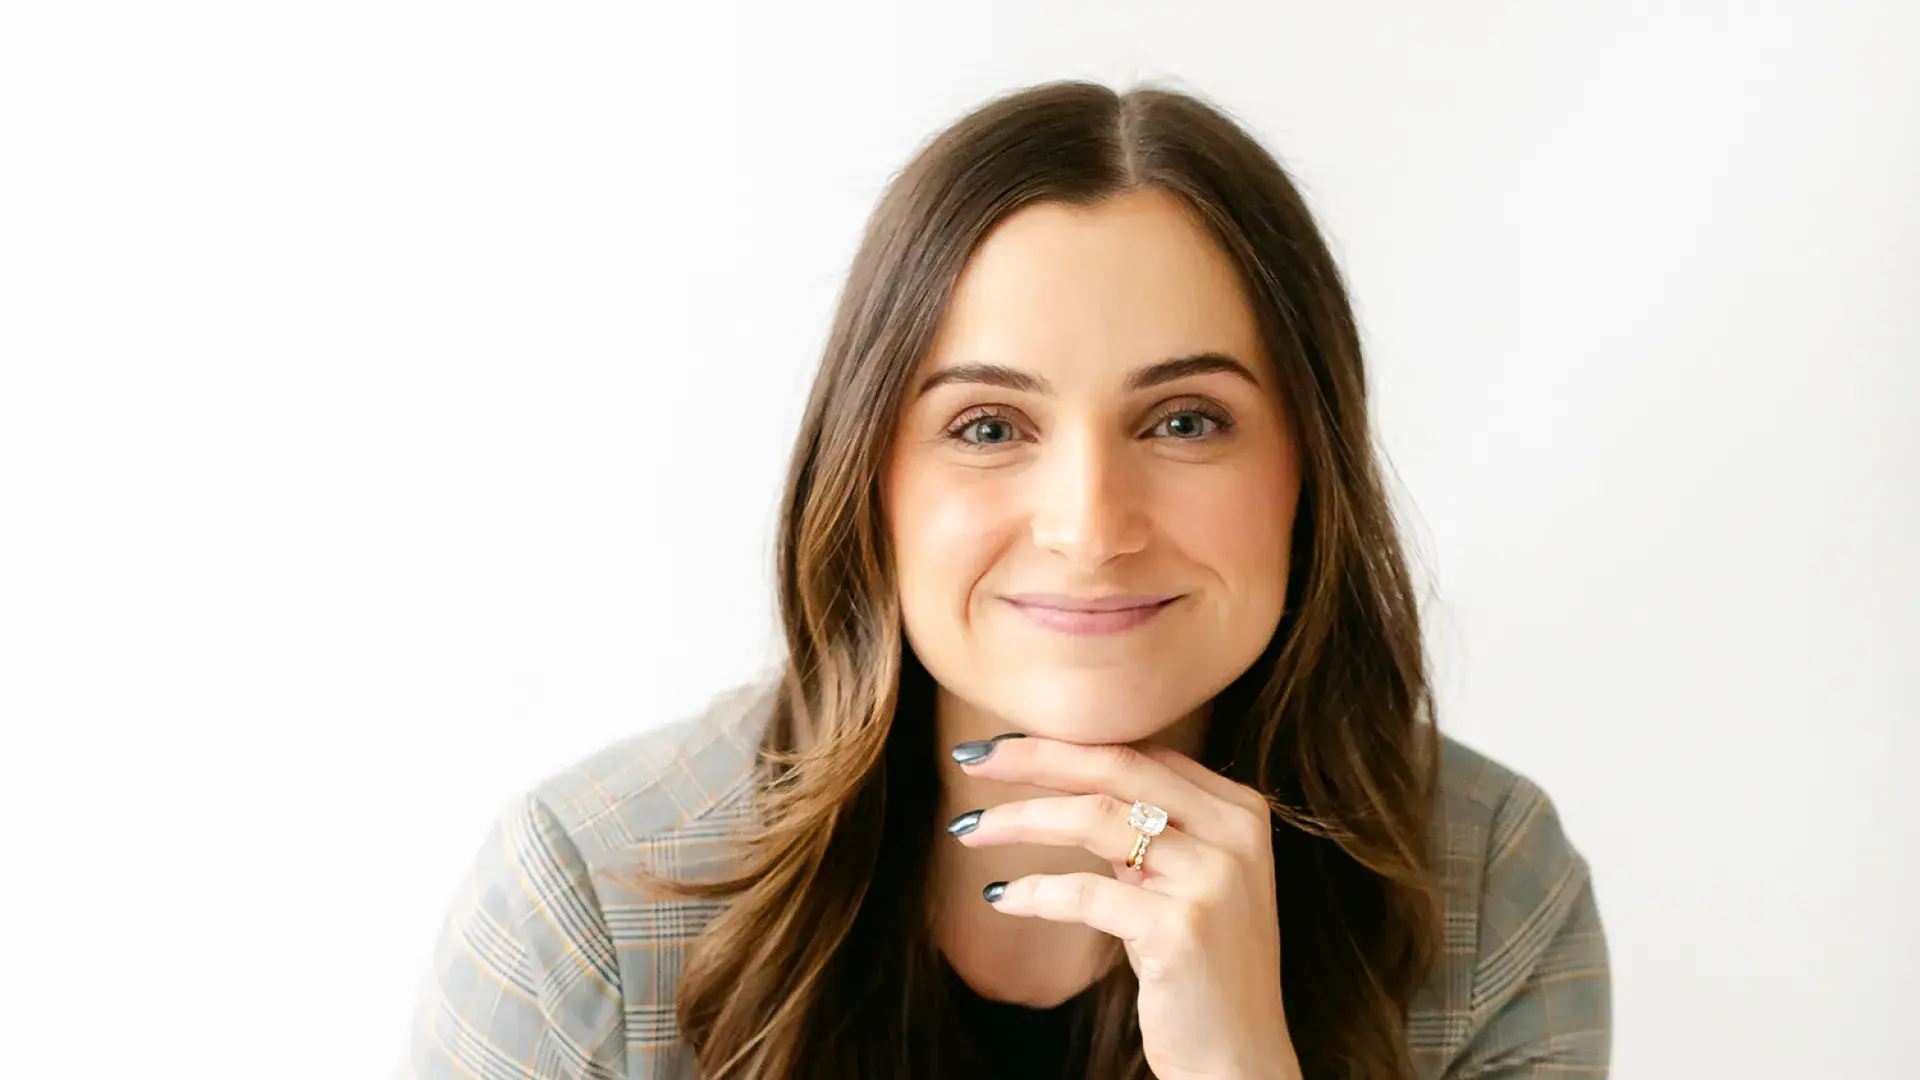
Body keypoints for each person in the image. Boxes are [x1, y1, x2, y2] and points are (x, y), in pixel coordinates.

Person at [402, 79, 1610, 1080]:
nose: (1090, 528)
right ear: (868, 480)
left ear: (1311, 470)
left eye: (1186, 421)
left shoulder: (1491, 894)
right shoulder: (587, 907)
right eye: (987, 426)